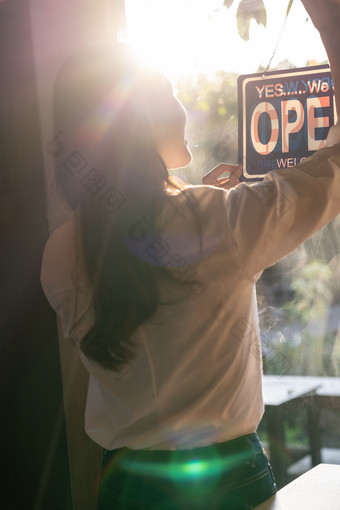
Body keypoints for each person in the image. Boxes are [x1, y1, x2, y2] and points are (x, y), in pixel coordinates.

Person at [41, 1, 340, 508]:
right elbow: (331, 172)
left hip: (123, 488)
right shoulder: (217, 222)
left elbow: (151, 290)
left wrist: (196, 201)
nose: (181, 105)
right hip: (227, 488)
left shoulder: (59, 252)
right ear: (143, 118)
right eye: (171, 92)